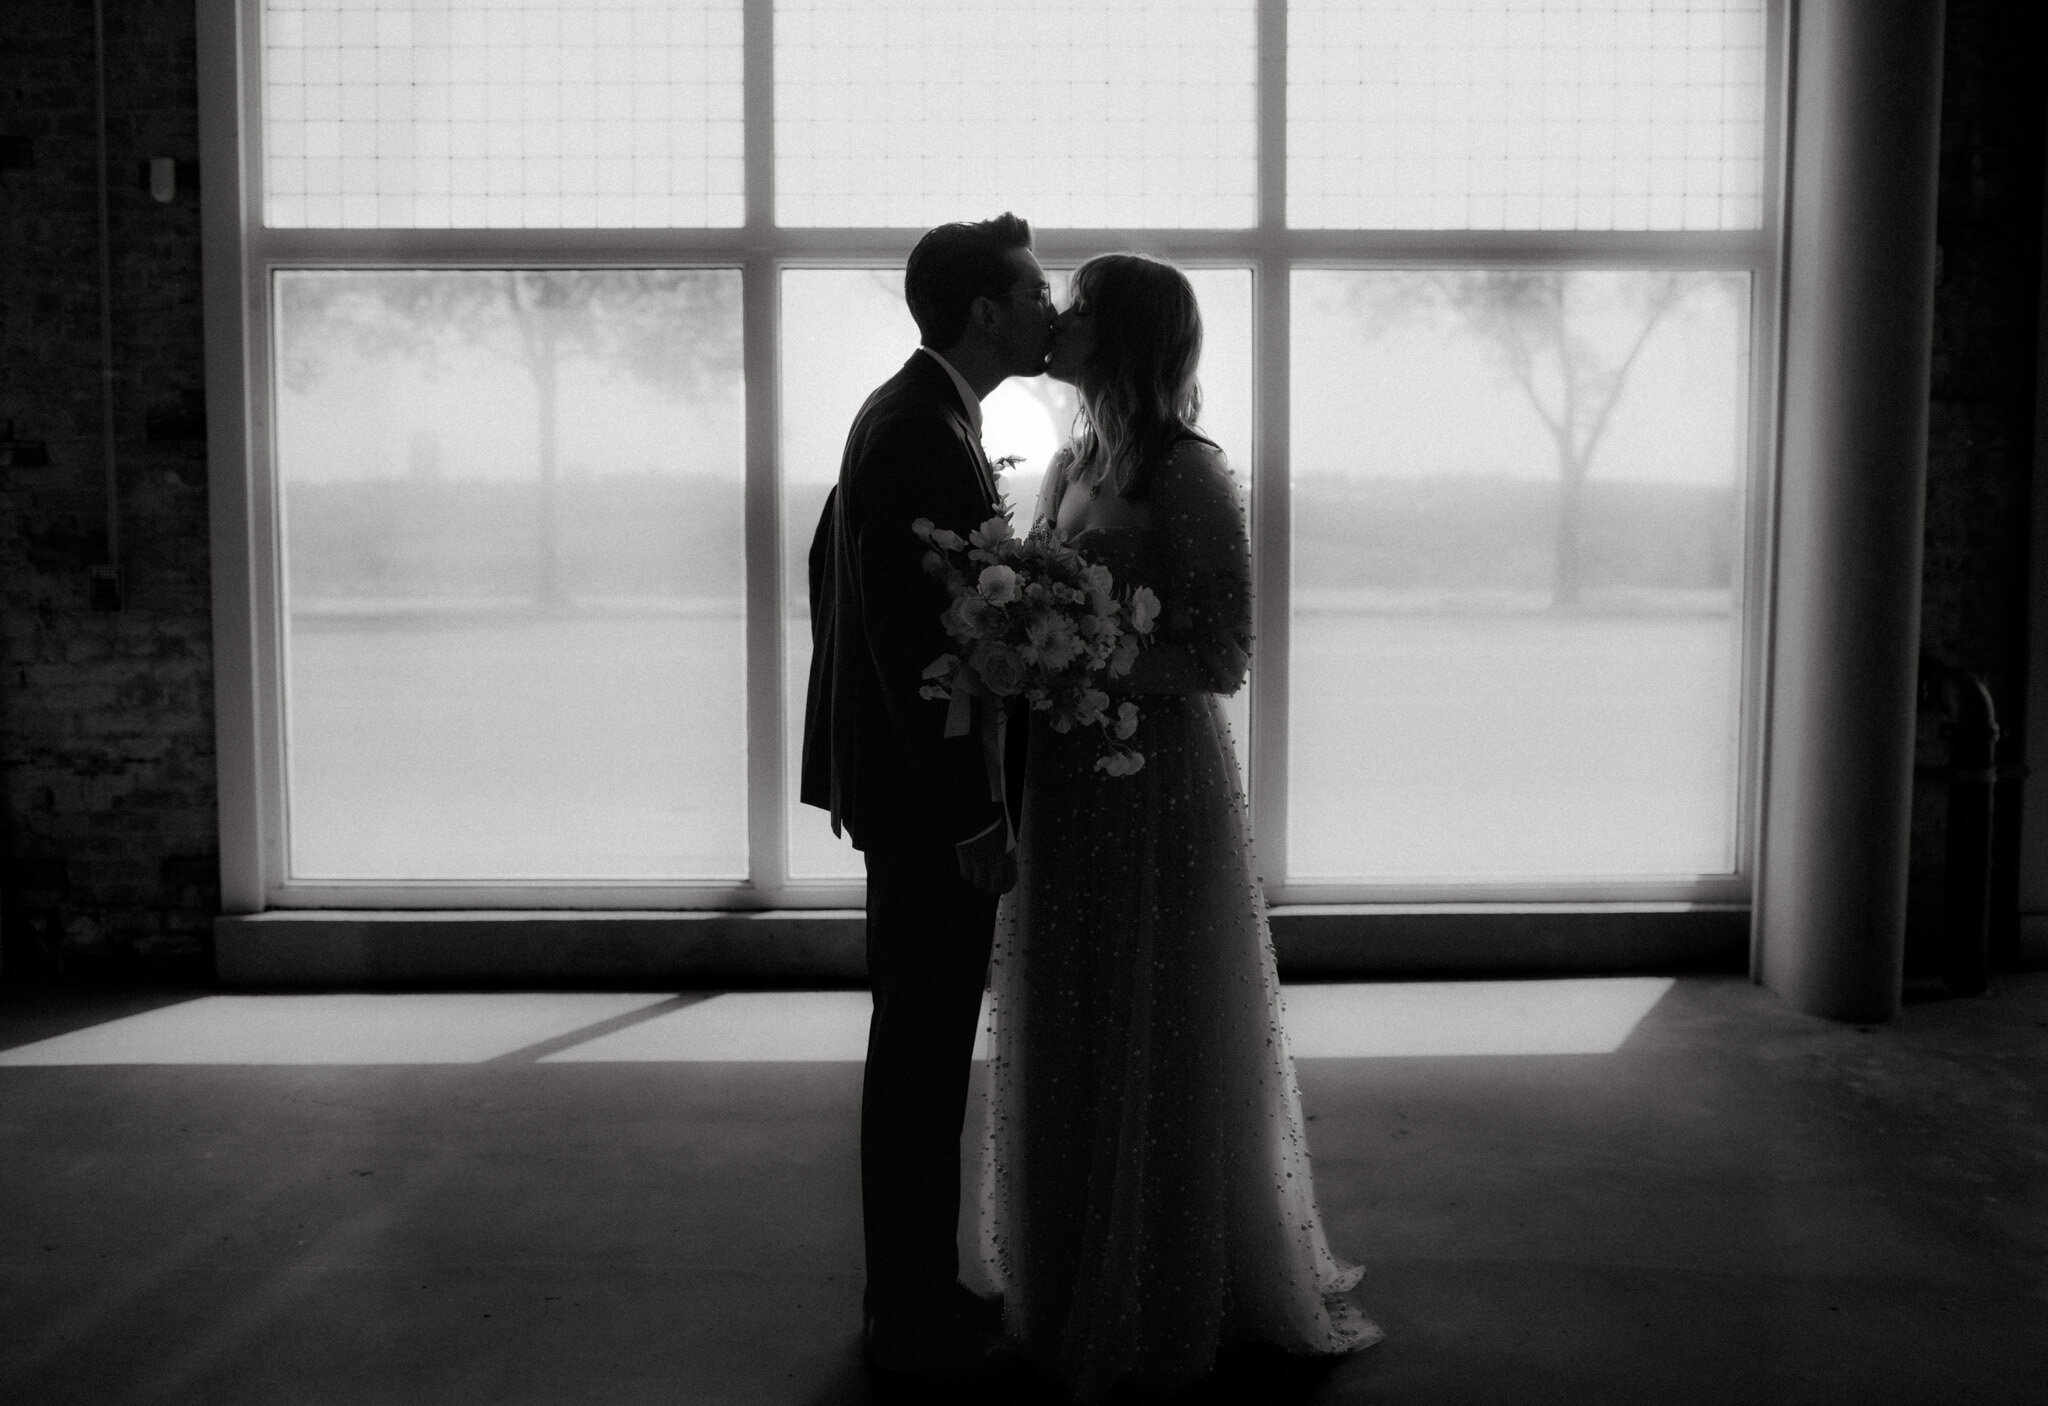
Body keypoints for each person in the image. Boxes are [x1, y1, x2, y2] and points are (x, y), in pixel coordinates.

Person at [969, 253, 1384, 1401]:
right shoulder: (1065, 463)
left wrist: (1095, 658)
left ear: (1127, 334)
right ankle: (1065, 1268)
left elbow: (1222, 652)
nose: (1059, 315)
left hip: (1152, 785)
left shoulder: (1185, 474)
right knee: (1070, 1013)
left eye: (1083, 305)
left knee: (1156, 1020)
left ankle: (1162, 1282)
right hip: (1065, 779)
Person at [800, 213, 1054, 1382]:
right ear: (985, 311)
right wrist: (971, 813)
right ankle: (905, 1310)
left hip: (895, 791)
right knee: (918, 1059)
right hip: (923, 808)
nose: (1049, 307)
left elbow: (833, 580)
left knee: (916, 1049)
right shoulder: (920, 432)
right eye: (1034, 288)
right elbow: (915, 645)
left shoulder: (910, 411)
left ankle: (910, 1288)